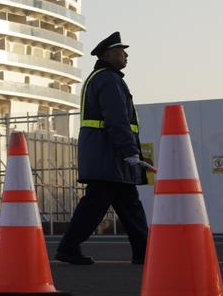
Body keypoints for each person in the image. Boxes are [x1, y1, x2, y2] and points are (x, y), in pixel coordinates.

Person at [56, 31, 154, 265]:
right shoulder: (108, 80)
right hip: (109, 156)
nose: (126, 54)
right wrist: (129, 151)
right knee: (98, 206)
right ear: (109, 54)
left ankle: (145, 253)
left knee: (129, 206)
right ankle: (68, 248)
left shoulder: (102, 78)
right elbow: (117, 119)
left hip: (107, 156)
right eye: (122, 51)